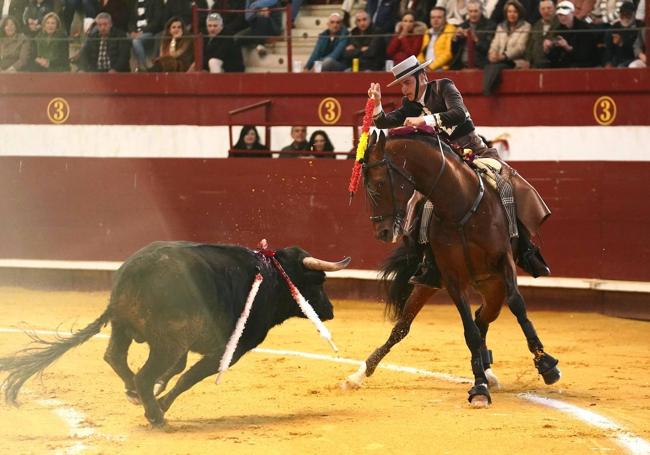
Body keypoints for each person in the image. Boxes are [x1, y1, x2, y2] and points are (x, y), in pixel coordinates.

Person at [368, 55, 551, 286]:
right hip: (445, 168)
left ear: (421, 77)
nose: (404, 89)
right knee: (418, 207)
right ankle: (427, 264)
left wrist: (426, 121)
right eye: (401, 84)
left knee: (507, 186)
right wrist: (377, 106)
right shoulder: (410, 106)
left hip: (476, 153)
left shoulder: (444, 86)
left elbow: (459, 113)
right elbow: (385, 122)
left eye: (407, 82)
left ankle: (526, 250)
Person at [483, 0, 531, 95]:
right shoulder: (501, 26)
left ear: (519, 13)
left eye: (515, 12)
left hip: (515, 60)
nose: (512, 14)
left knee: (495, 67)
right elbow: (495, 43)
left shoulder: (526, 26)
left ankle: (487, 90)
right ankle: (487, 89)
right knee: (489, 65)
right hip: (499, 59)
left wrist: (504, 56)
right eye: (509, 12)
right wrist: (491, 54)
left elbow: (520, 48)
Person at [545, 0, 598, 67]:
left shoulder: (584, 29)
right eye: (560, 15)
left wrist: (567, 47)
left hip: (584, 65)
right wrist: (547, 49)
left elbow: (584, 56)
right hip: (567, 64)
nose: (562, 18)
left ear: (572, 13)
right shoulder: (559, 30)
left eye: (565, 14)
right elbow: (554, 58)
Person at [450, 0, 497, 69]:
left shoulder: (490, 25)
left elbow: (488, 49)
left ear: (481, 11)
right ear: (467, 12)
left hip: (481, 66)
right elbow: (454, 51)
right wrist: (455, 38)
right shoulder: (463, 26)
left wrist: (475, 39)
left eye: (475, 11)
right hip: (461, 66)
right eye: (471, 11)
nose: (473, 14)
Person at [603, 1, 643, 67]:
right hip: (617, 59)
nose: (625, 17)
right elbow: (609, 49)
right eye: (623, 15)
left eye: (628, 15)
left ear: (634, 14)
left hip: (633, 59)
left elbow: (636, 49)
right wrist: (608, 62)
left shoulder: (640, 26)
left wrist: (621, 43)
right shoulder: (614, 27)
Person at [128, 0, 164, 72]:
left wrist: (142, 31)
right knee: (123, 38)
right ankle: (129, 69)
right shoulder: (133, 2)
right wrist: (132, 31)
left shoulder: (157, 2)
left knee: (136, 41)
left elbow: (156, 22)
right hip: (135, 32)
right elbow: (130, 20)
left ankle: (143, 67)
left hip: (150, 32)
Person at [522, 0, 558, 68]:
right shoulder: (536, 25)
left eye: (549, 8)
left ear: (555, 8)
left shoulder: (560, 24)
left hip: (553, 65)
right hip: (535, 65)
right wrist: (527, 60)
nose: (546, 11)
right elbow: (530, 44)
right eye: (543, 9)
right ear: (539, 10)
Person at [418, 6, 456, 71]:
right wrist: (421, 65)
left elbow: (448, 54)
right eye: (433, 17)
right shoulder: (428, 32)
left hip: (442, 68)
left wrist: (431, 67)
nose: (435, 20)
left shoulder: (451, 30)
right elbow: (422, 52)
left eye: (439, 17)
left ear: (445, 19)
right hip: (427, 68)